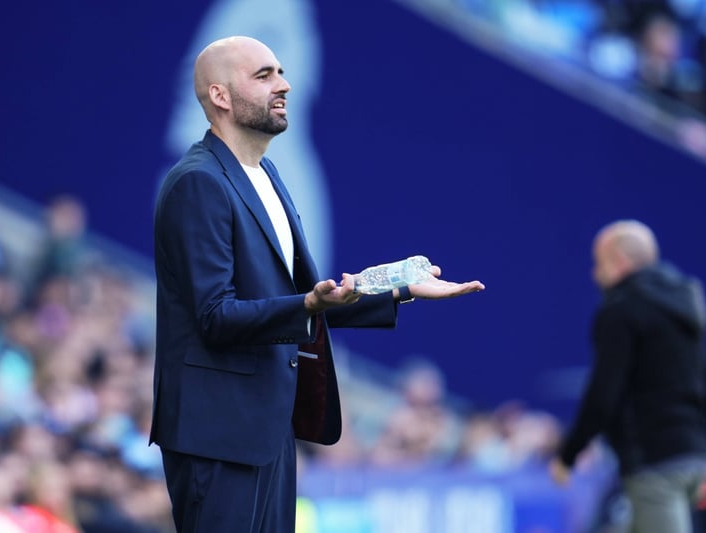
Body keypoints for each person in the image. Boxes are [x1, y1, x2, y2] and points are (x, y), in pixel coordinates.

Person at [149, 35, 485, 533]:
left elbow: (302, 298)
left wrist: (398, 288)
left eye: (281, 72)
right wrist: (307, 302)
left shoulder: (267, 175)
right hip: (217, 436)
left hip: (267, 432)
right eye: (263, 75)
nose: (283, 85)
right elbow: (216, 316)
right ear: (220, 96)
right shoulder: (197, 182)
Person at [549, 219, 706, 533]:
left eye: (599, 262)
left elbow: (603, 393)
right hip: (696, 455)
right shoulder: (687, 301)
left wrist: (568, 454)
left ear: (619, 262)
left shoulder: (621, 309)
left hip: (655, 458)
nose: (595, 273)